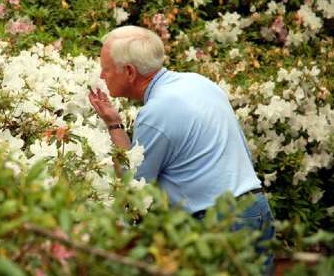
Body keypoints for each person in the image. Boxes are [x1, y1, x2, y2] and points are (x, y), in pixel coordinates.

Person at [88, 26, 275, 275]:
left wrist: (113, 125)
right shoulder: (199, 83)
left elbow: (134, 187)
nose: (102, 75)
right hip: (255, 208)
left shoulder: (156, 112)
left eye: (107, 69)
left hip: (217, 225)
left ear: (130, 72)